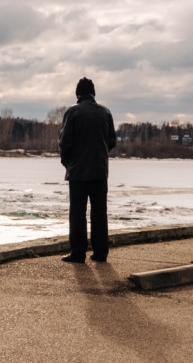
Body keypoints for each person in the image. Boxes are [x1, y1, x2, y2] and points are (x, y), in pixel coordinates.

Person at [58, 77, 116, 263]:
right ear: (94, 93)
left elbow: (64, 142)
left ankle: (78, 252)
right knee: (99, 212)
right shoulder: (105, 112)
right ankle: (101, 252)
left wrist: (68, 163)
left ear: (78, 94)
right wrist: (100, 155)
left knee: (77, 213)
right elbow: (112, 141)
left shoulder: (73, 112)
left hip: (78, 172)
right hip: (100, 171)